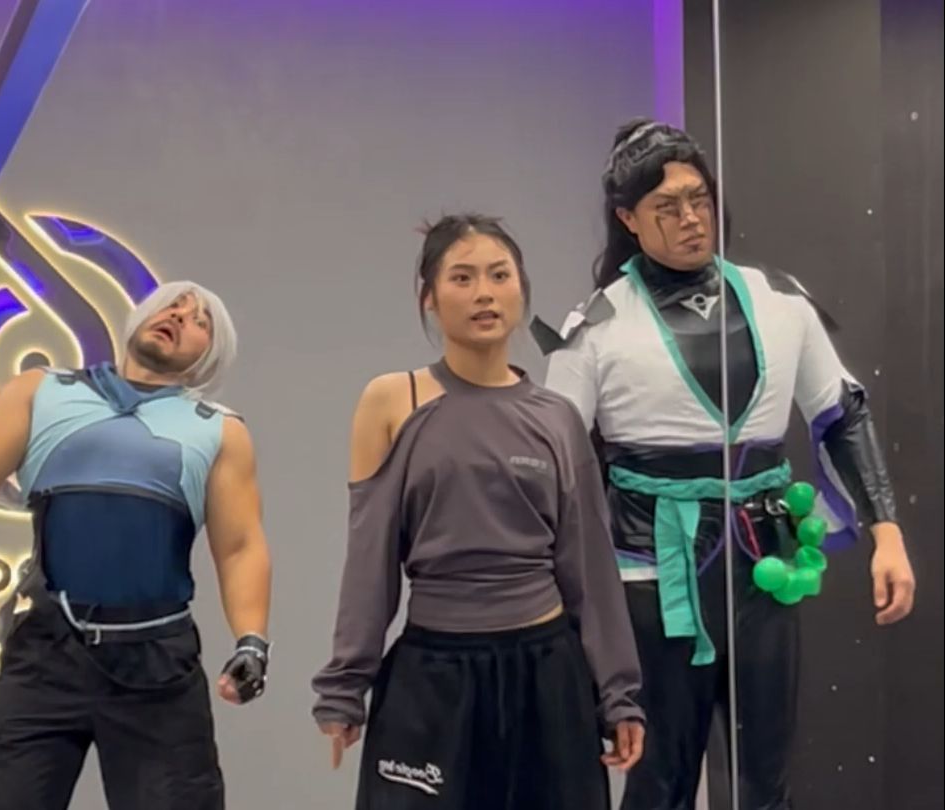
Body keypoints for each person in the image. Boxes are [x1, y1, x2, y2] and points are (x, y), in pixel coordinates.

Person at [535, 119, 917, 810]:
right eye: (667, 206)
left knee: (765, 780)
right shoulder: (595, 327)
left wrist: (886, 534)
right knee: (660, 781)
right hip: (652, 577)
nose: (691, 218)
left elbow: (842, 414)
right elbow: (553, 469)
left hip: (763, 568)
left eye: (699, 199)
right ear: (627, 218)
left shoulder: (780, 301)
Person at [0, 281, 273, 810]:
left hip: (157, 666)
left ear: (210, 354)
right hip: (46, 654)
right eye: (172, 305)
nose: (179, 316)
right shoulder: (41, 391)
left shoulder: (219, 431)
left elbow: (240, 546)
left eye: (199, 320)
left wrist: (252, 642)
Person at [311, 214, 645, 809]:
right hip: (432, 676)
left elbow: (589, 568)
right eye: (462, 278)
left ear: (521, 288)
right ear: (429, 298)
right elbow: (369, 558)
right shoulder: (391, 401)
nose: (484, 293)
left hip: (547, 676)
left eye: (499, 275)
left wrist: (619, 695)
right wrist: (345, 686)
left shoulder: (556, 418)